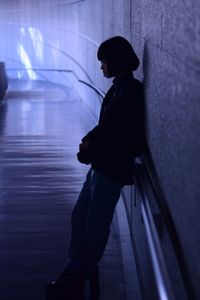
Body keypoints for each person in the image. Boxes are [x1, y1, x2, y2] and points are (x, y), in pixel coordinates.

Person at [46, 36, 145, 300]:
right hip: (102, 166)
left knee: (94, 223)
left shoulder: (129, 91)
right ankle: (78, 269)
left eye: (104, 61)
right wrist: (89, 144)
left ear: (115, 61)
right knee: (81, 217)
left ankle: (79, 274)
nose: (101, 67)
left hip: (110, 169)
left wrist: (89, 148)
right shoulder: (121, 87)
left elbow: (118, 133)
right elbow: (108, 126)